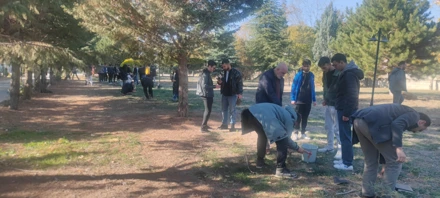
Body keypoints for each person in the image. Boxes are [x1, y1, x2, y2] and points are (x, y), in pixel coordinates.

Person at [351, 104, 430, 197]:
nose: (416, 132)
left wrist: (385, 164)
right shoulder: (414, 115)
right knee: (395, 162)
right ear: (422, 122)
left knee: (370, 161)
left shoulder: (401, 112)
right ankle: (386, 195)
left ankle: (367, 194)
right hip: (372, 123)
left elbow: (383, 141)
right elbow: (397, 124)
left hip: (359, 120)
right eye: (420, 130)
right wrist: (399, 149)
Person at [241, 103, 311, 179]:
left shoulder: (283, 111)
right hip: (261, 115)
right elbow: (287, 139)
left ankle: (260, 162)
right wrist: (298, 148)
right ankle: (281, 169)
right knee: (282, 140)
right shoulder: (290, 119)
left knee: (262, 136)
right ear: (296, 122)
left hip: (251, 112)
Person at [331, 53, 364, 171]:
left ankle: (347, 163)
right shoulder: (346, 73)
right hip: (344, 108)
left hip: (346, 110)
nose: (335, 68)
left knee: (345, 137)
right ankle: (345, 159)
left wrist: (346, 113)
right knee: (344, 136)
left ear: (341, 62)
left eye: (335, 65)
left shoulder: (349, 74)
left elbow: (352, 95)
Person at [317, 57, 341, 155]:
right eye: (322, 68)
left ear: (329, 64)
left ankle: (340, 150)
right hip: (328, 104)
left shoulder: (338, 73)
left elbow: (340, 90)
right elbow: (325, 88)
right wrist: (325, 99)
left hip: (336, 105)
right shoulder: (325, 74)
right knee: (328, 126)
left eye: (324, 67)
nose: (323, 69)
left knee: (337, 129)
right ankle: (330, 146)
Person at [290, 59, 316, 140]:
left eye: (307, 65)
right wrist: (293, 98)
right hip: (299, 99)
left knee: (305, 117)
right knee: (298, 117)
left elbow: (313, 88)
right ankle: (295, 132)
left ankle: (303, 133)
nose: (306, 67)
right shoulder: (298, 75)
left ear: (310, 66)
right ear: (302, 66)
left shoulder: (311, 75)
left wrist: (314, 99)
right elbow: (293, 87)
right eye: (304, 65)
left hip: (308, 100)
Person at [217, 59, 243, 132]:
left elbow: (240, 83)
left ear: (228, 64)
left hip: (233, 94)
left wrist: (240, 93)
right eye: (223, 66)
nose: (223, 68)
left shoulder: (236, 72)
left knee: (232, 110)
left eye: (224, 66)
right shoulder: (222, 72)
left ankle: (232, 125)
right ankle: (224, 124)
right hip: (224, 94)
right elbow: (220, 82)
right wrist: (219, 82)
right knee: (224, 110)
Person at [196, 60, 221, 132]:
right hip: (206, 95)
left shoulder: (207, 73)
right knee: (207, 110)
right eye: (213, 67)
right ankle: (203, 127)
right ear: (209, 66)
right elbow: (205, 86)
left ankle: (205, 125)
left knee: (208, 110)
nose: (214, 69)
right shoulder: (205, 74)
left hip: (208, 94)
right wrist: (215, 86)